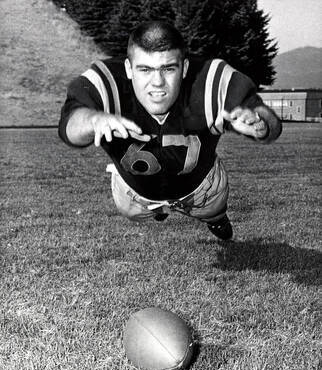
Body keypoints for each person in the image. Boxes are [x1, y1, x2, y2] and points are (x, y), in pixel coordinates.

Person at [58, 20, 282, 240]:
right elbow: (70, 126)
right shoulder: (106, 81)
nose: (157, 82)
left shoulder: (211, 80)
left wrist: (261, 125)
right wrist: (92, 120)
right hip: (134, 194)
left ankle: (216, 218)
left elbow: (269, 121)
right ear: (128, 68)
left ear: (184, 67)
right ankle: (157, 210)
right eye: (145, 69)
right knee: (132, 212)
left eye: (168, 68)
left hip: (201, 187)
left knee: (213, 208)